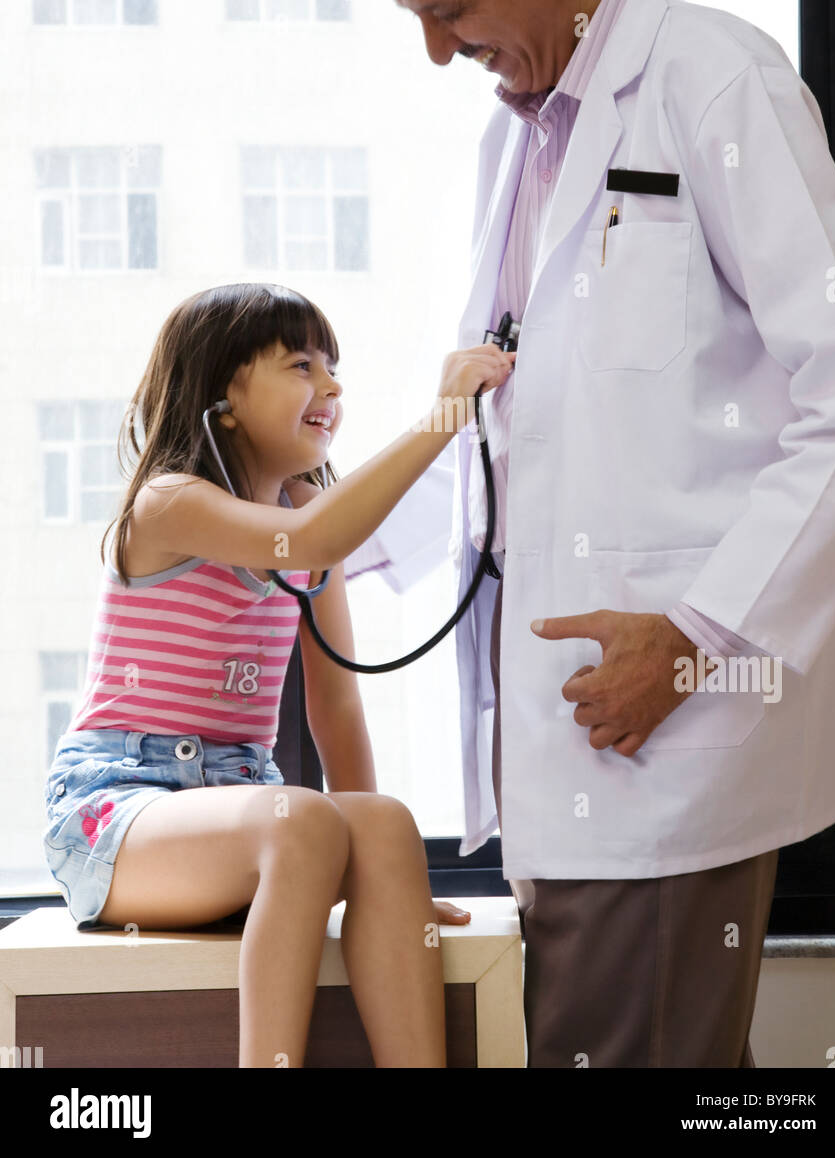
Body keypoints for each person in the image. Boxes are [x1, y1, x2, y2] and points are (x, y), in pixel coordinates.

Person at [371, 0, 835, 1066]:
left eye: (447, 10)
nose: (438, 54)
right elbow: (533, 416)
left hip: (660, 737)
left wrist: (700, 639)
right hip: (564, 746)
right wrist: (328, 543)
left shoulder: (714, 81)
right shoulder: (513, 134)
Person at [42, 279, 515, 1068]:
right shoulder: (170, 504)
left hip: (237, 813)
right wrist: (443, 417)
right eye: (301, 365)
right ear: (222, 394)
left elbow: (338, 708)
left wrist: (385, 881)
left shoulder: (307, 524)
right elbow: (310, 537)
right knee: (302, 824)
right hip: (116, 814)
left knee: (385, 823)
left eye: (334, 370)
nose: (331, 387)